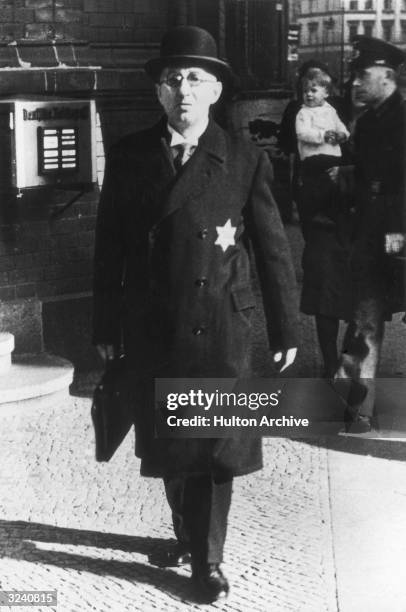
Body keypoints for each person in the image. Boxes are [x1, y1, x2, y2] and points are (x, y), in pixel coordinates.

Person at [92, 26, 298, 602]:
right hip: (152, 324)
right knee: (170, 445)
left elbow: (272, 247)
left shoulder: (241, 157)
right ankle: (186, 534)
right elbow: (109, 248)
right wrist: (105, 326)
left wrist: (284, 327)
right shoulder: (131, 155)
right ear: (159, 91)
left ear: (215, 91)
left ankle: (207, 561)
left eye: (196, 78)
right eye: (172, 78)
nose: (183, 89)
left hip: (220, 326)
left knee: (212, 449)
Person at [332, 36, 406, 433]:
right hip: (371, 235)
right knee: (362, 321)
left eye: (363, 74)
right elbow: (365, 177)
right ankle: (358, 409)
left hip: (398, 236)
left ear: (388, 76)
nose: (355, 81)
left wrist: (398, 243)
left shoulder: (403, 118)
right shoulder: (369, 120)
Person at [283, 65, 353, 378]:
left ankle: (348, 361)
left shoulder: (335, 110)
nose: (310, 95)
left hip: (344, 195)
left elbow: (346, 135)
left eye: (316, 90)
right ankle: (329, 361)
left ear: (327, 91)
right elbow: (299, 137)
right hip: (315, 176)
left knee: (354, 295)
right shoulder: (300, 113)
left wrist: (341, 135)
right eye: (306, 90)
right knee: (324, 286)